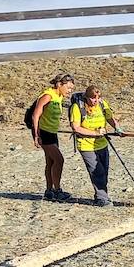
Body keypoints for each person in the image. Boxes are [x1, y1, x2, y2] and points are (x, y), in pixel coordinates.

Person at [69, 85, 124, 207]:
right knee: (96, 171)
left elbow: (109, 117)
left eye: (98, 98)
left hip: (102, 143)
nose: (96, 101)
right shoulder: (77, 107)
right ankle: (101, 198)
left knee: (104, 171)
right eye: (93, 99)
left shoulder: (102, 104)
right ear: (86, 97)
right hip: (86, 144)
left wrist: (117, 127)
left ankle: (102, 195)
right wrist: (95, 133)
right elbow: (76, 127)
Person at [29, 73, 75, 201]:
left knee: (51, 162)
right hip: (44, 132)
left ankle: (49, 191)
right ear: (60, 84)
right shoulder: (48, 95)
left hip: (52, 132)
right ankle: (57, 190)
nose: (70, 91)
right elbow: (35, 115)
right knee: (59, 160)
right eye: (68, 88)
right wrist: (36, 135)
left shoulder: (58, 96)